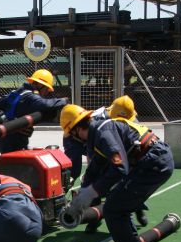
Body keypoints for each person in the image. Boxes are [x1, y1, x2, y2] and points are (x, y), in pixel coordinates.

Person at [60, 104, 174, 242]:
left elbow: (119, 168)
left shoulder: (103, 133)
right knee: (117, 206)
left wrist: (90, 193)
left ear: (76, 130)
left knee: (114, 209)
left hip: (153, 163)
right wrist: (81, 197)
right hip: (152, 161)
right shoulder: (99, 131)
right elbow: (95, 168)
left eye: (72, 136)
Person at [62, 95, 148, 233]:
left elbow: (122, 163)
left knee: (123, 184)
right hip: (95, 145)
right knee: (92, 180)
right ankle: (94, 218)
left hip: (114, 149)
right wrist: (87, 188)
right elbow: (95, 159)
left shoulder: (128, 118)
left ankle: (136, 209)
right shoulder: (98, 127)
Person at [0, 69, 68, 154]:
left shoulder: (19, 92)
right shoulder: (31, 96)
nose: (46, 93)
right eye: (46, 89)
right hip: (14, 140)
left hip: (4, 139)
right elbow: (46, 104)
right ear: (40, 85)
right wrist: (63, 101)